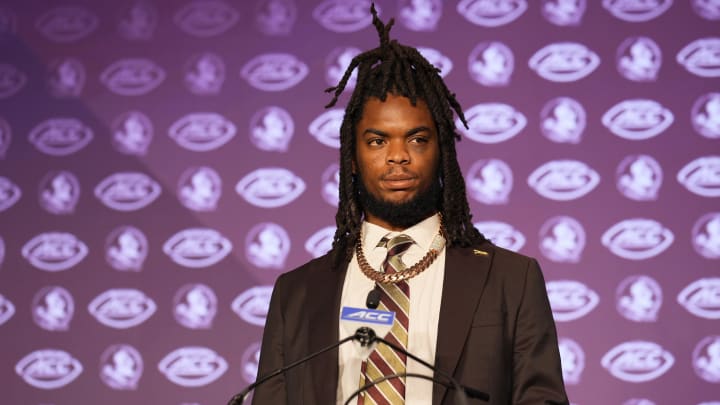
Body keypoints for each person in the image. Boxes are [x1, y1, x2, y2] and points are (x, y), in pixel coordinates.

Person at [251, 6, 568, 405]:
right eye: (377, 141)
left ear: (443, 154)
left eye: (417, 139)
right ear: (352, 156)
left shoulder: (511, 280)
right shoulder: (296, 294)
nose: (397, 156)